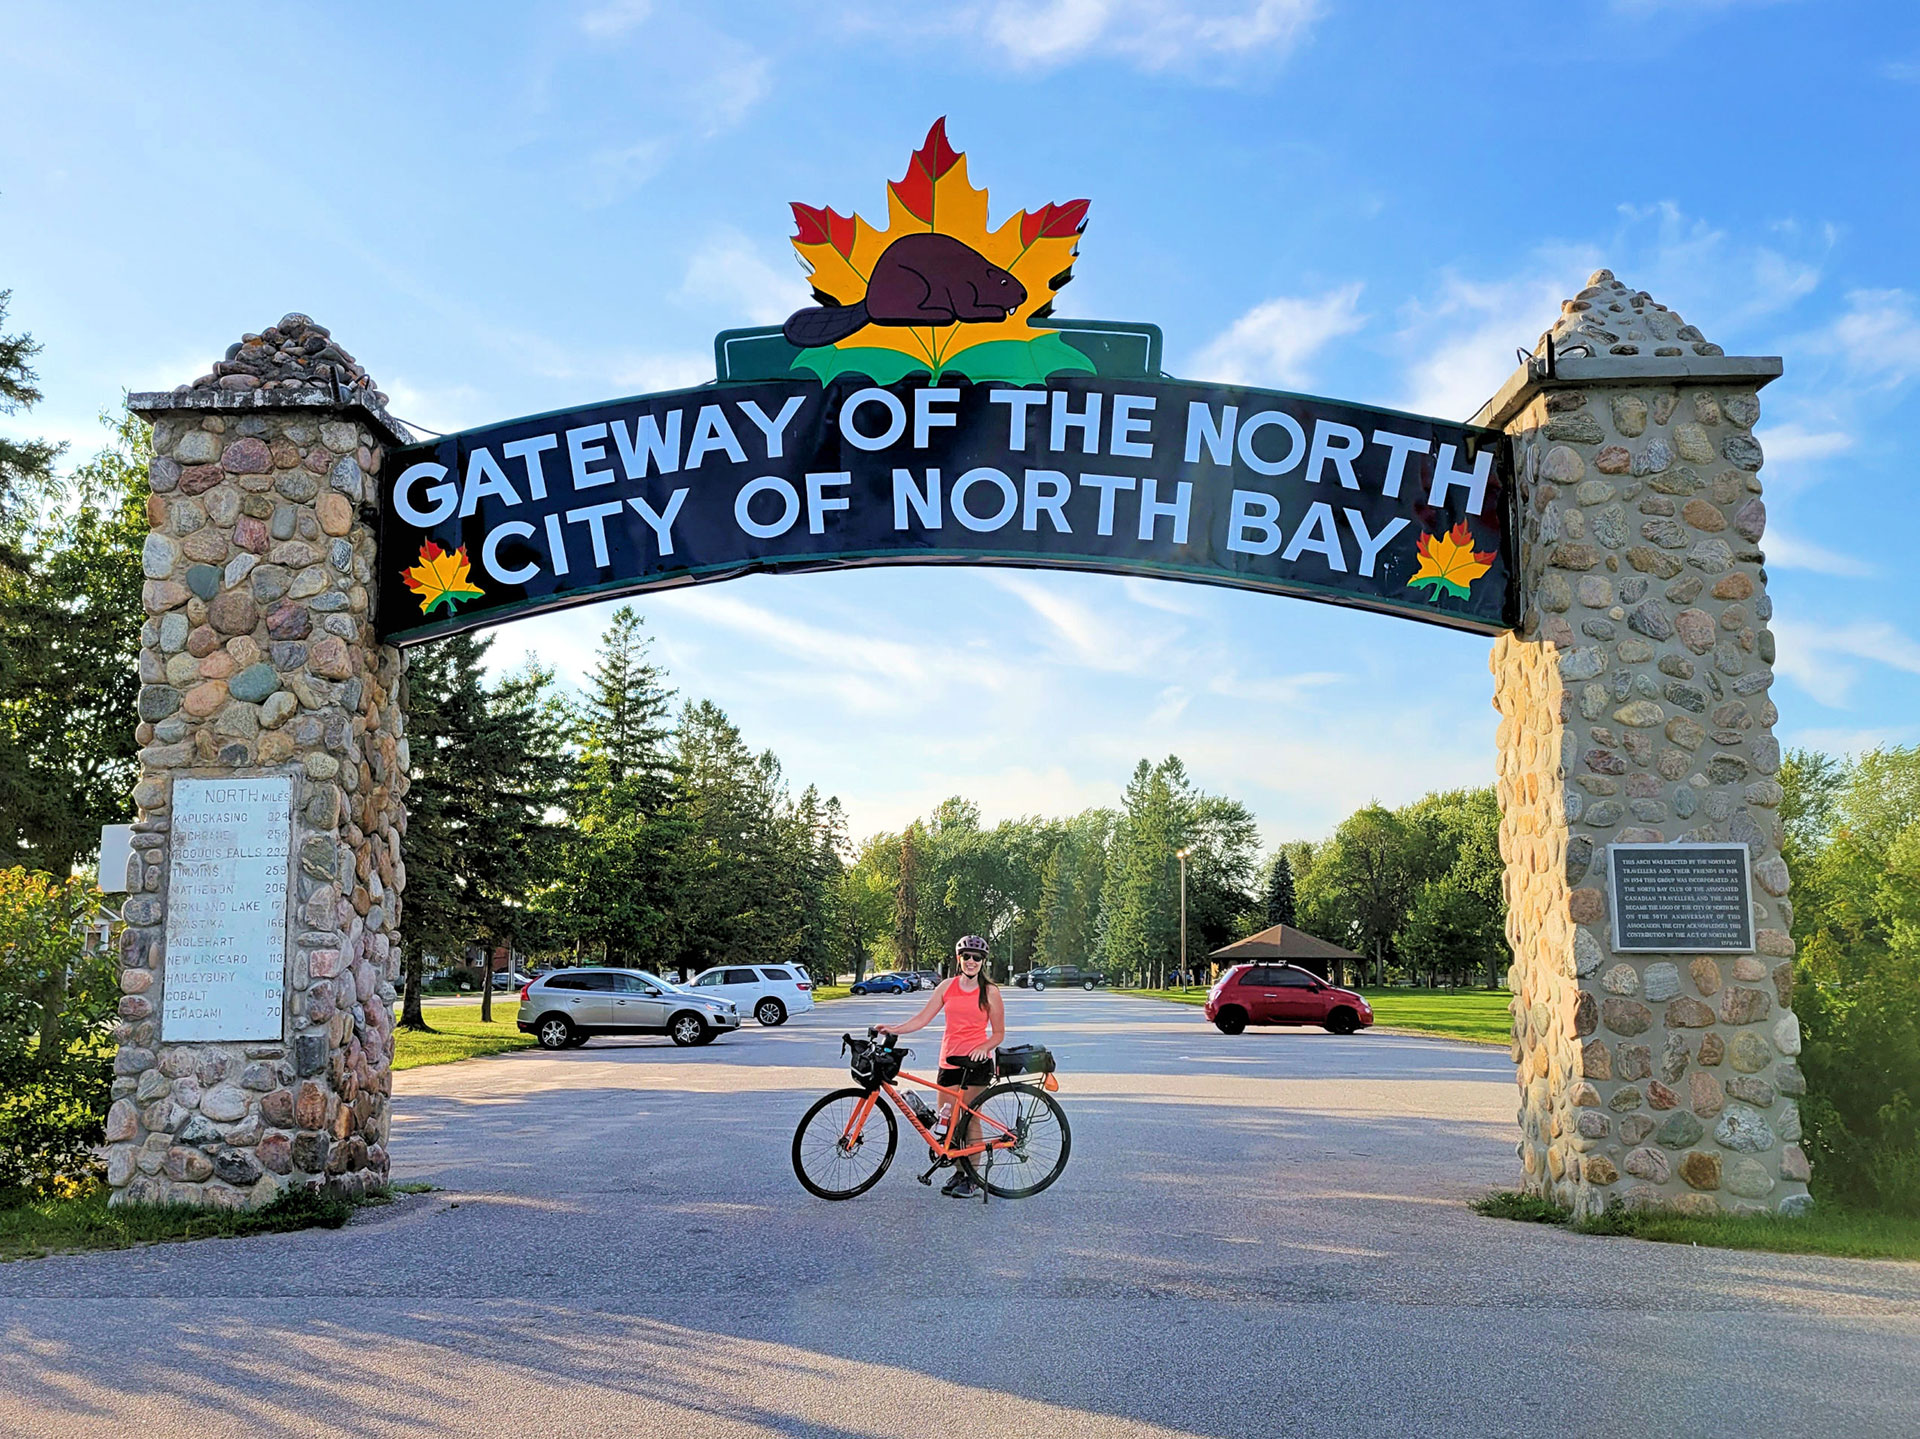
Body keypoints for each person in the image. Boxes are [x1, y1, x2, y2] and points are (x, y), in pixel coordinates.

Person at [877, 934, 1005, 1198]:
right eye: (967, 956)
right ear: (959, 959)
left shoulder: (990, 991)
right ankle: (960, 1170)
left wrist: (985, 1047)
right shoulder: (947, 987)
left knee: (969, 1121)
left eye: (977, 958)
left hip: (976, 1063)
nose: (971, 962)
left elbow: (999, 1033)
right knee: (947, 1118)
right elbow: (923, 1018)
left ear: (983, 962)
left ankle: (971, 1177)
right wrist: (894, 1029)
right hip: (949, 1059)